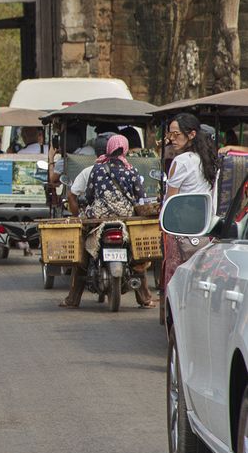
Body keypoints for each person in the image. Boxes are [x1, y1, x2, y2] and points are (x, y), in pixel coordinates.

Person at [60, 134, 154, 308]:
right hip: (125, 216)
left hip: (99, 215)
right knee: (137, 253)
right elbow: (141, 197)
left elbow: (88, 196)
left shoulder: (96, 169)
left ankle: (73, 298)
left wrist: (89, 207)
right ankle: (145, 298)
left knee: (82, 253)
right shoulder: (131, 170)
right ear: (125, 149)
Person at [162, 112, 219, 290]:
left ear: (192, 135)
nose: (172, 139)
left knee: (175, 277)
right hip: (205, 227)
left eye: (176, 134)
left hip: (181, 228)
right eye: (170, 134)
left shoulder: (181, 161)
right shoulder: (208, 159)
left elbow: (170, 200)